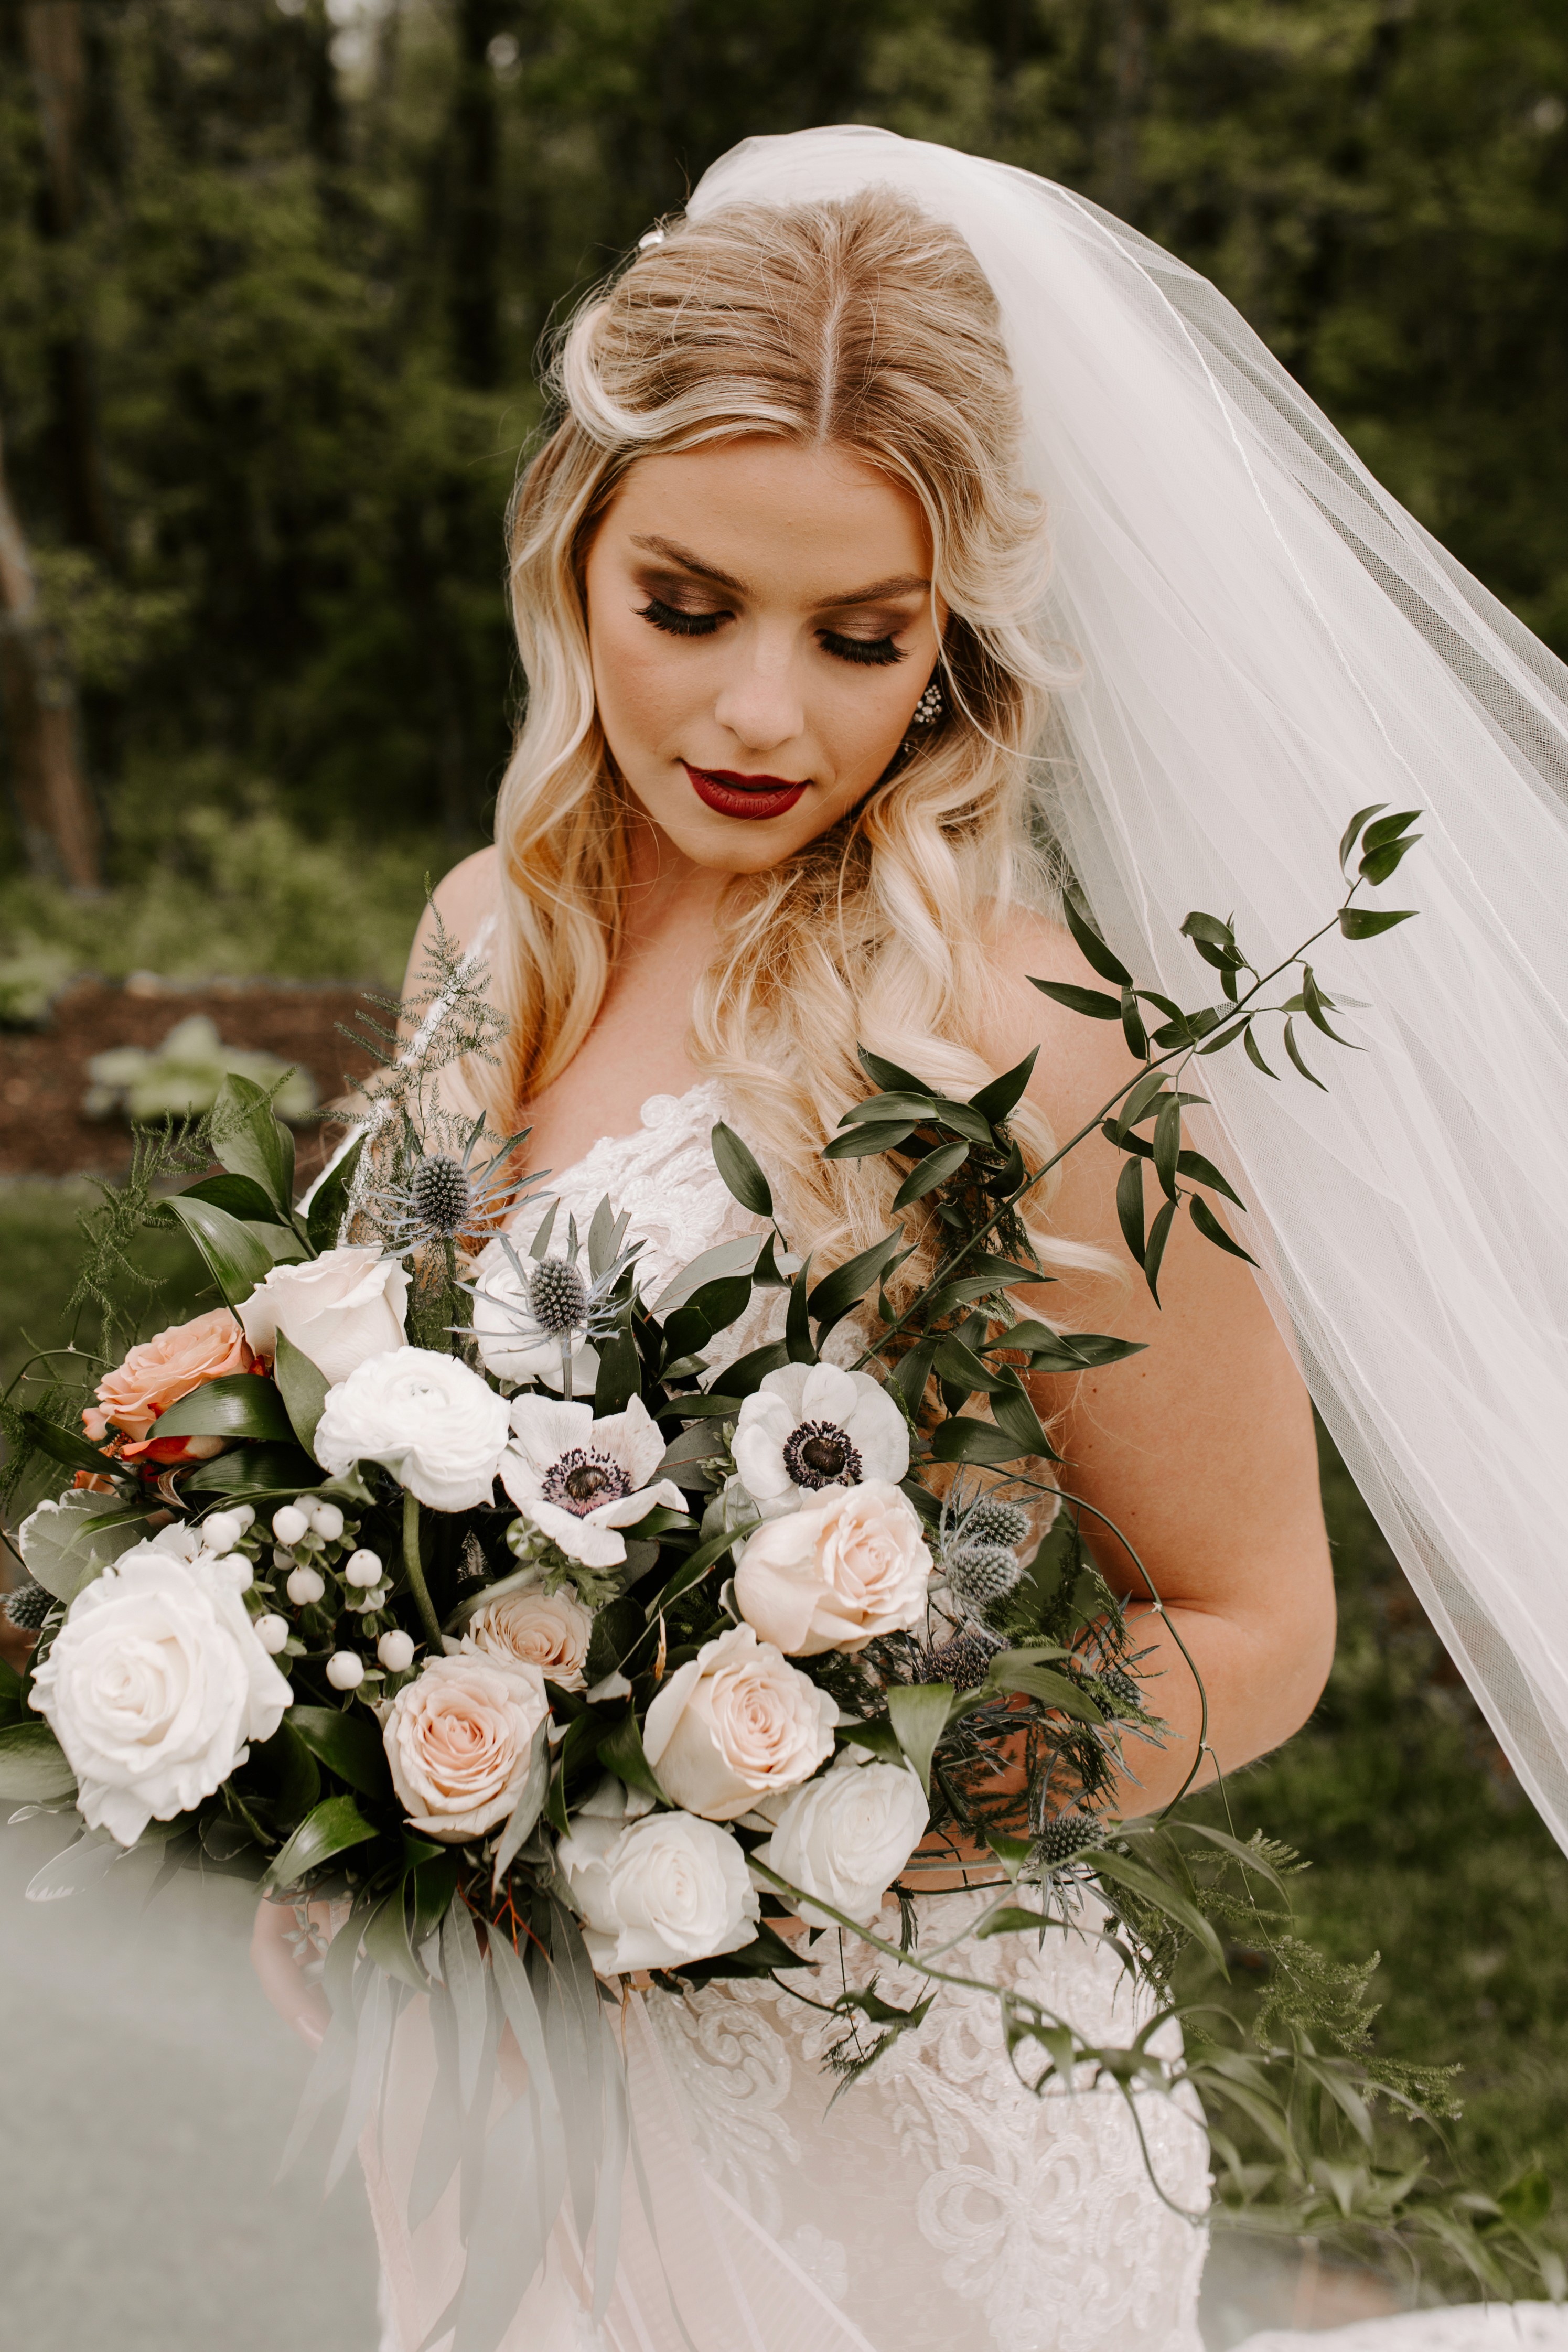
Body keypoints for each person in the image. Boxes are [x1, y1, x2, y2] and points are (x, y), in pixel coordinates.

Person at [263, 126, 1568, 2352]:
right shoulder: (491, 939)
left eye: (858, 639)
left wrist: (830, 1790)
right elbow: (373, 1450)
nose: (760, 713)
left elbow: (1255, 1619)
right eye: (686, 608)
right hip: (503, 2087)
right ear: (573, 557)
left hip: (889, 2102)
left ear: (953, 651)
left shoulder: (1018, 1037)